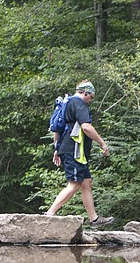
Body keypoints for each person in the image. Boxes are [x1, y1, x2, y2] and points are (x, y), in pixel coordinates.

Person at [45, 80, 114, 228]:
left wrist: (57, 148)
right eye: (91, 97)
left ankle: (94, 219)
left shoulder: (67, 103)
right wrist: (102, 143)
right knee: (75, 184)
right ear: (86, 93)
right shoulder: (78, 104)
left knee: (86, 182)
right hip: (74, 151)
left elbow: (58, 130)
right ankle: (49, 214)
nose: (91, 100)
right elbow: (86, 127)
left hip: (71, 150)